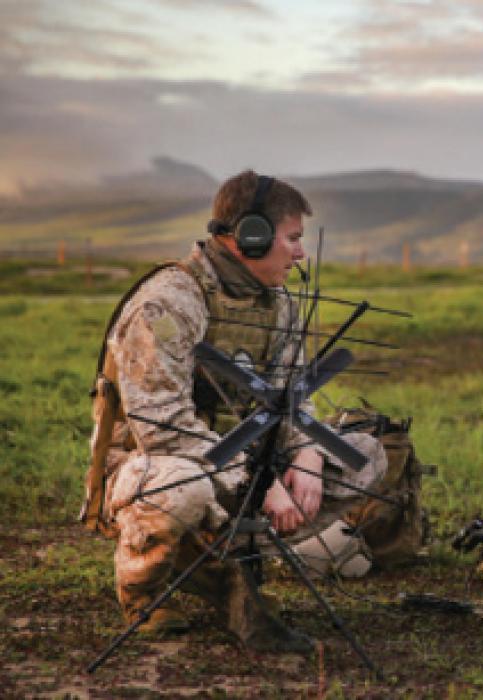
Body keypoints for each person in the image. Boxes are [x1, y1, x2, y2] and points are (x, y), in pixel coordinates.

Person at [80, 171, 388, 653]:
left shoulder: (277, 304)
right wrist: (260, 483)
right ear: (251, 237)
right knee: (181, 487)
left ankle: (220, 556)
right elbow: (162, 428)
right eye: (292, 238)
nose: (301, 253)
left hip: (240, 462)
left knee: (362, 454)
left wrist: (305, 454)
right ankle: (146, 587)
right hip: (152, 466)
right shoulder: (170, 302)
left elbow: (291, 396)